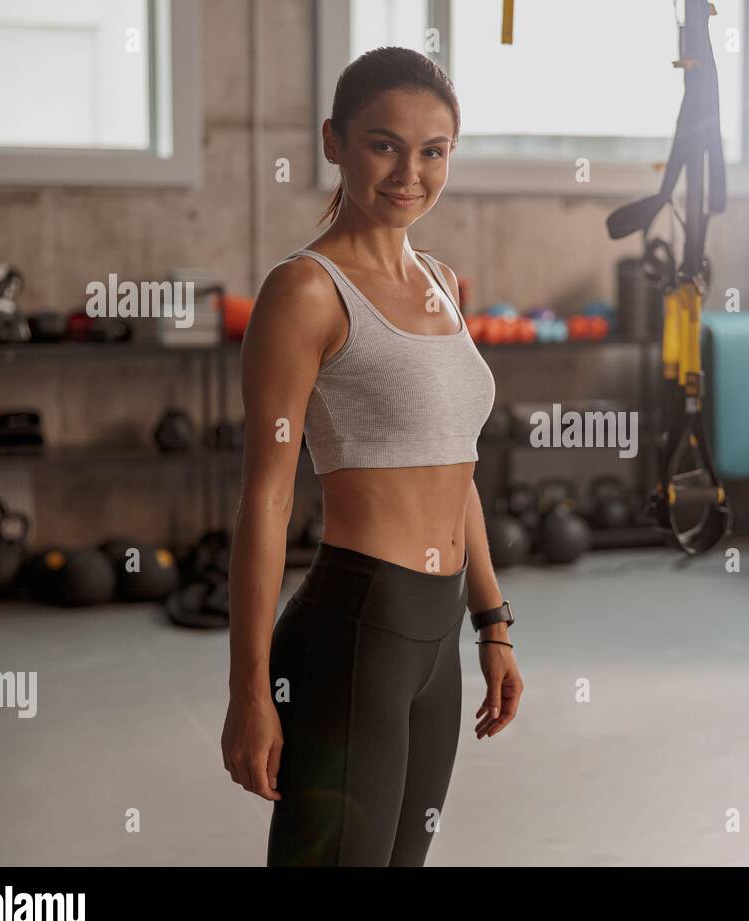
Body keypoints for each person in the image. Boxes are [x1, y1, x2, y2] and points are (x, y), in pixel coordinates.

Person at [221, 47, 524, 866]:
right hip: (358, 629)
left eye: (434, 151)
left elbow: (454, 465)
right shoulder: (306, 291)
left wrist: (491, 623)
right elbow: (267, 501)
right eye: (384, 144)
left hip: (436, 636)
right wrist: (248, 689)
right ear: (334, 142)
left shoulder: (441, 279)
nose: (410, 173)